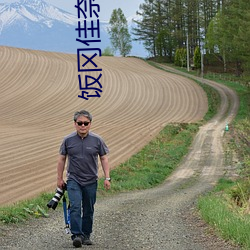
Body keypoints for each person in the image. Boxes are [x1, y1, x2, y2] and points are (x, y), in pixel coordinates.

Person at [57, 110, 111, 248]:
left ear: (90, 124)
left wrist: (107, 177)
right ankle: (76, 235)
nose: (83, 126)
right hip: (73, 179)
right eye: (79, 123)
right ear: (75, 124)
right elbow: (62, 159)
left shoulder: (97, 140)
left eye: (85, 123)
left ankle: (86, 235)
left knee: (88, 208)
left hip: (91, 180)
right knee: (75, 206)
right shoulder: (68, 140)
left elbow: (104, 158)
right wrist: (59, 179)